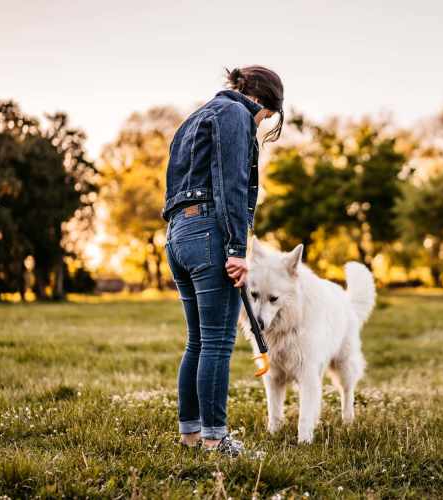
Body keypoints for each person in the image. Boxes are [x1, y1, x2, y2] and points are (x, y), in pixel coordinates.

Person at [161, 66, 284, 457]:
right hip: (210, 233)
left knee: (198, 340)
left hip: (178, 233)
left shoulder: (195, 117)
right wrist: (236, 250)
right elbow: (231, 182)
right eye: (266, 117)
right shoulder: (235, 115)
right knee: (217, 342)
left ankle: (191, 436)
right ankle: (215, 440)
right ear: (261, 103)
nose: (262, 123)